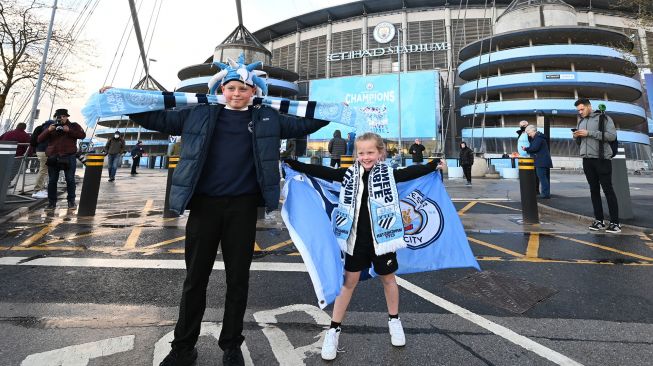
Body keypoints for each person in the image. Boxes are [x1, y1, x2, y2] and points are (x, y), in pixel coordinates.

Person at [101, 55, 330, 366]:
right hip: (205, 207)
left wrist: (336, 107)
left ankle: (231, 346)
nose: (236, 94)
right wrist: (120, 99)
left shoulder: (267, 118)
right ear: (222, 89)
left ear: (254, 92)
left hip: (244, 208)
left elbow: (308, 121)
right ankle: (183, 348)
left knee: (238, 280)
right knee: (195, 279)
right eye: (231, 88)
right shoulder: (198, 114)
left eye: (243, 89)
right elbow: (155, 118)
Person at [284, 132, 443, 361]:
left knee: (388, 278)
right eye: (361, 153)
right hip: (355, 239)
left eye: (370, 152)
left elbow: (412, 172)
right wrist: (296, 164)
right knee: (348, 283)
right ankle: (334, 330)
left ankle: (394, 320)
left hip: (384, 238)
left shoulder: (389, 174)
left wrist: (433, 165)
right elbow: (323, 172)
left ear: (380, 153)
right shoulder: (348, 175)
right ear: (356, 154)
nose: (366, 157)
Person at [573, 98, 620, 233]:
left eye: (582, 109)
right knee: (594, 190)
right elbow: (579, 143)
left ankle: (615, 223)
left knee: (608, 190)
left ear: (589, 107)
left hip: (602, 159)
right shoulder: (581, 121)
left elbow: (612, 136)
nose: (580, 112)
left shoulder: (603, 118)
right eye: (578, 110)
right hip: (587, 160)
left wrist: (589, 133)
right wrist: (576, 136)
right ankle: (599, 221)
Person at [37, 109, 86, 209]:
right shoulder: (51, 126)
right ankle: (51, 202)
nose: (61, 118)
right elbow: (39, 139)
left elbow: (82, 135)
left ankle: (71, 201)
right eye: (59, 117)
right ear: (56, 117)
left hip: (69, 155)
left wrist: (69, 131)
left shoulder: (73, 125)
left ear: (67, 117)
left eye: (63, 116)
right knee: (52, 180)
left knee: (70, 179)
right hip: (53, 156)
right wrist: (48, 130)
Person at [522, 125, 553, 199]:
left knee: (542, 178)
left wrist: (526, 148)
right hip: (540, 161)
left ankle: (545, 194)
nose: (529, 135)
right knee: (541, 178)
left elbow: (535, 148)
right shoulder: (537, 137)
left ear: (533, 131)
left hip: (541, 161)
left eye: (529, 133)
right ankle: (544, 193)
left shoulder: (538, 138)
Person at [29, 120, 54, 198]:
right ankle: (37, 190)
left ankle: (40, 189)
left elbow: (33, 141)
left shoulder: (39, 128)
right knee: (43, 170)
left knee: (44, 170)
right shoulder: (48, 129)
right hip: (44, 151)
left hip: (39, 150)